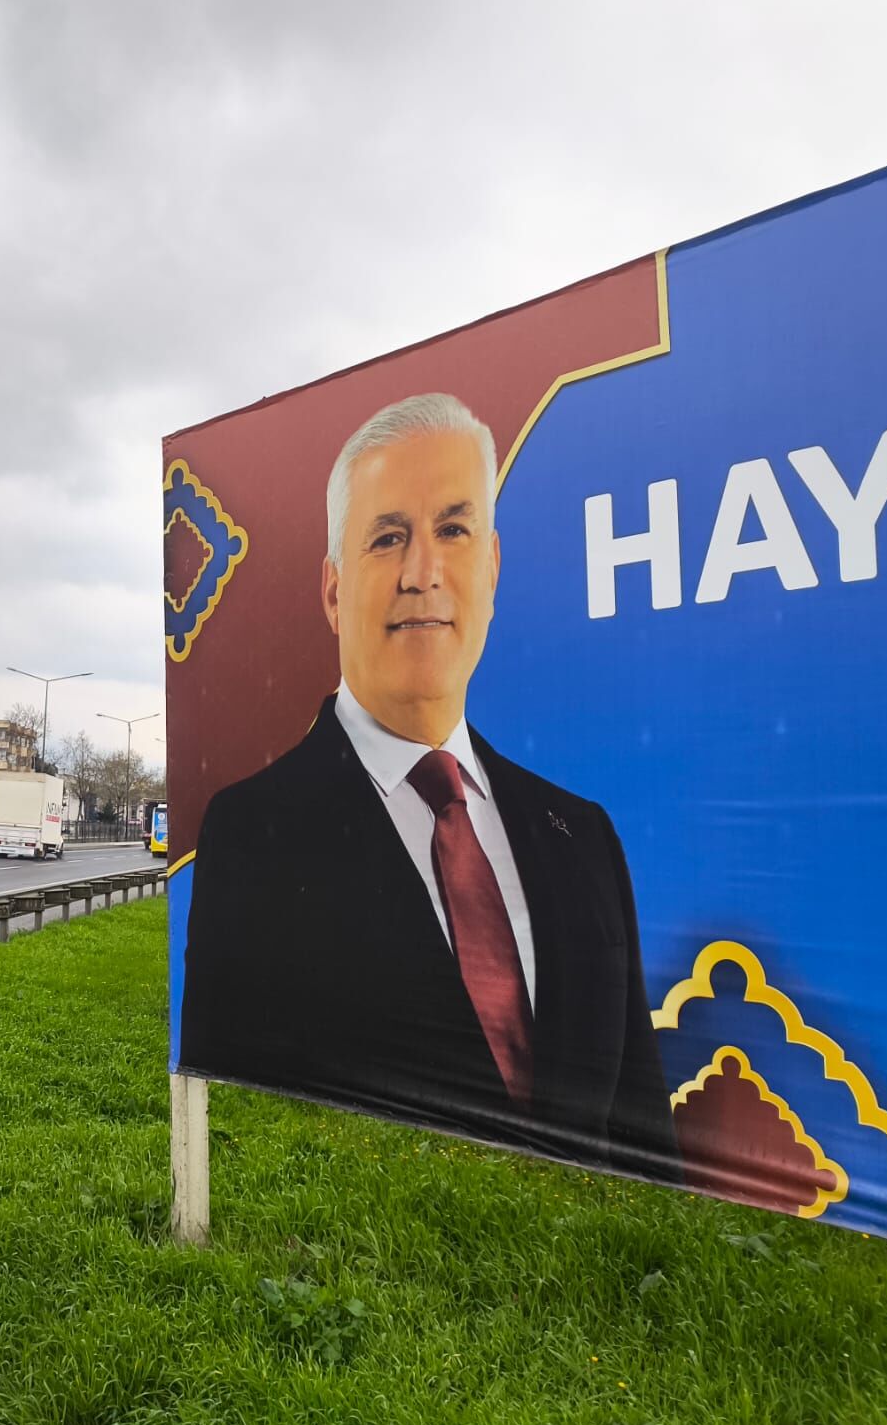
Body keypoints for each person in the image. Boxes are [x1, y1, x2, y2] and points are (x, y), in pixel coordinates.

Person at [179, 393, 679, 1179]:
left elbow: (650, 1145)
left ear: (492, 566)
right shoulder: (253, 835)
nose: (423, 573)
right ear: (335, 591)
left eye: (453, 530)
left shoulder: (583, 837)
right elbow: (241, 1134)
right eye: (388, 538)